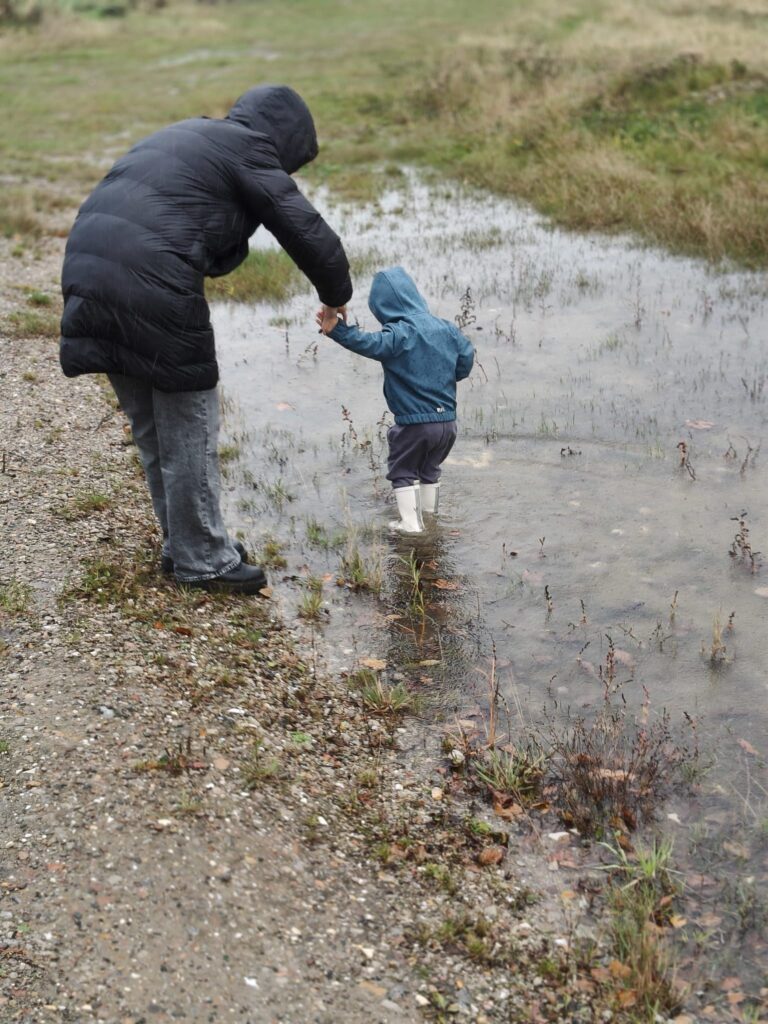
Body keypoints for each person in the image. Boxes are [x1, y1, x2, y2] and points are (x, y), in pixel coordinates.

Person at [60, 85, 351, 594]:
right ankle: (205, 561)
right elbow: (305, 229)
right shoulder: (249, 148)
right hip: (150, 282)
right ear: (284, 137)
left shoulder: (191, 134)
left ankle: (184, 544)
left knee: (155, 428)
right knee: (189, 427)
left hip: (88, 272)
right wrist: (336, 294)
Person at [318, 267, 474, 533]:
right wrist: (443, 378)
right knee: (430, 469)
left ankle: (411, 526)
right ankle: (430, 519)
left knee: (403, 470)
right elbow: (467, 358)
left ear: (382, 308)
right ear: (415, 296)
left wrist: (337, 330)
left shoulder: (399, 335)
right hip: (448, 423)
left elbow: (367, 342)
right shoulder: (447, 329)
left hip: (414, 425)